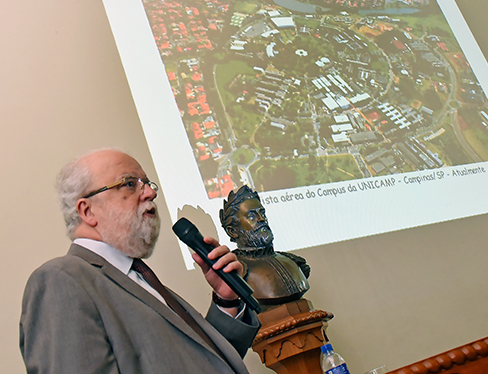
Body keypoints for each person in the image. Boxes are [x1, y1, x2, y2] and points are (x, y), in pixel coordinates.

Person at [20, 149, 260, 374]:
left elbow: (205, 364)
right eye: (129, 184)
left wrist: (225, 301)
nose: (150, 193)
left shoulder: (139, 277)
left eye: (147, 184)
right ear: (88, 211)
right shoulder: (61, 280)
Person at [220, 185, 310, 307]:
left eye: (262, 213)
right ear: (232, 231)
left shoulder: (293, 261)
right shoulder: (238, 271)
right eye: (251, 216)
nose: (261, 219)